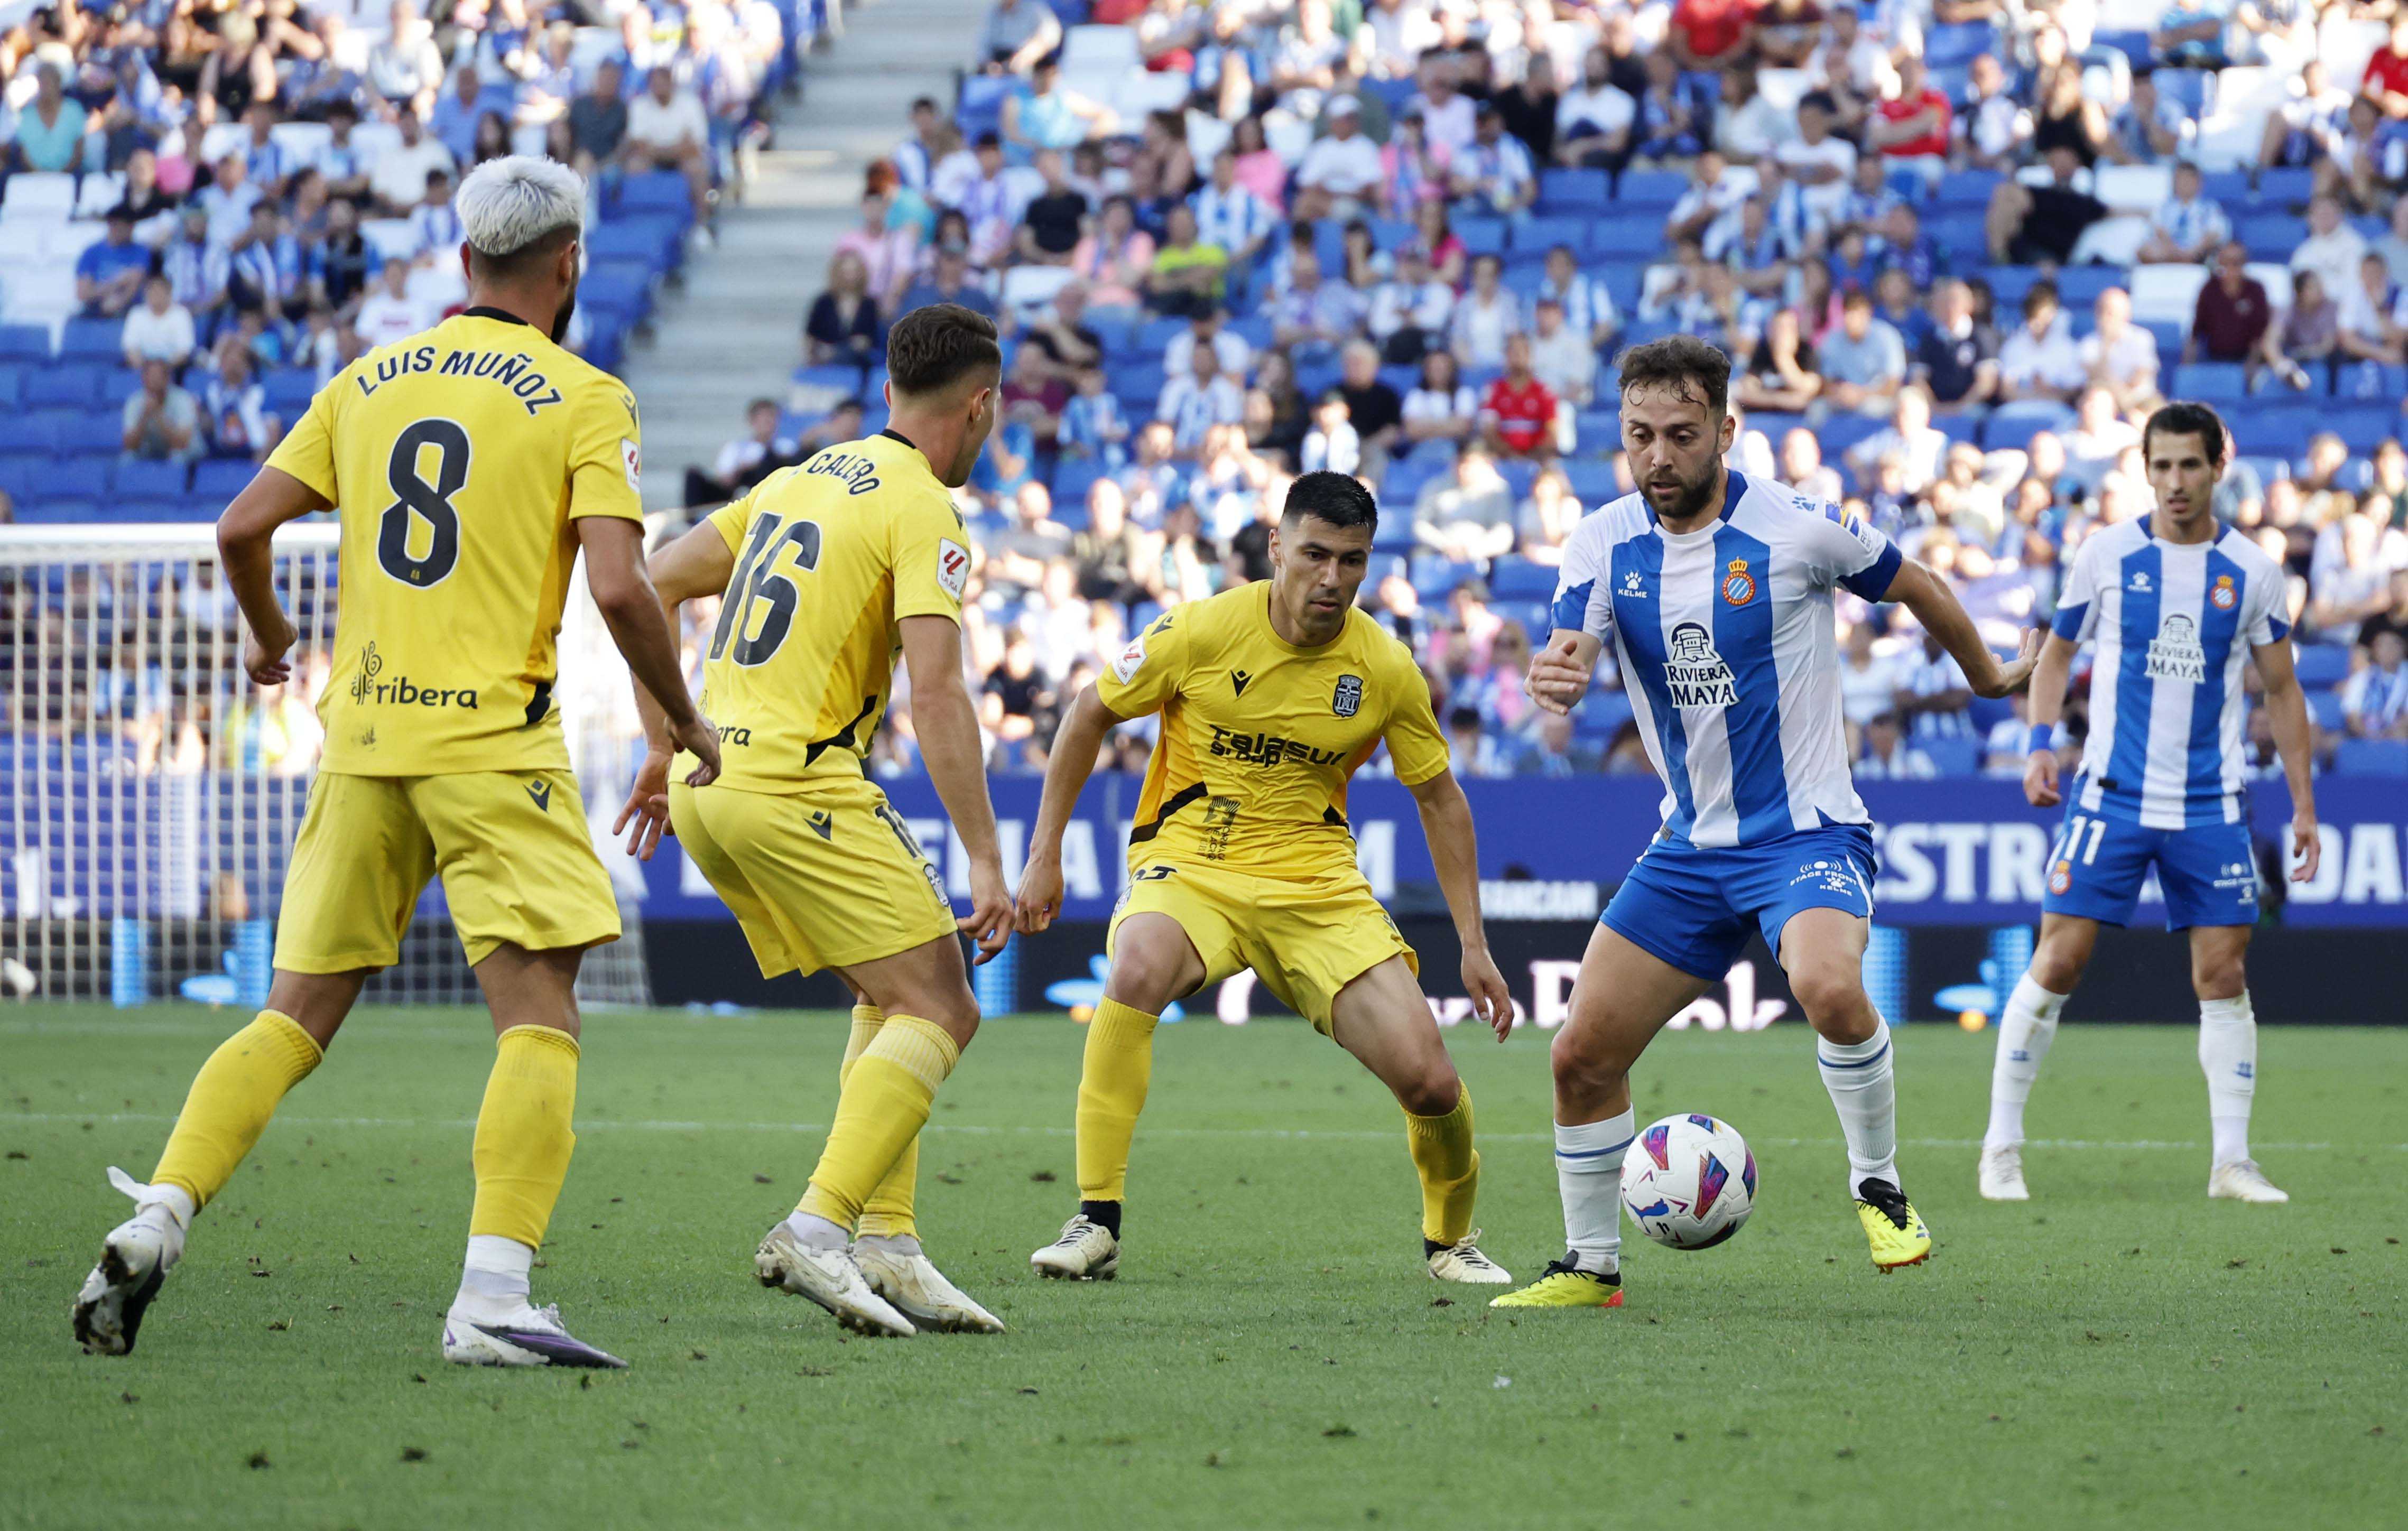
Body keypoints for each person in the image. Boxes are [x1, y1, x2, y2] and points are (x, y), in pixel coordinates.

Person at [72, 157, 718, 1368]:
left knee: (293, 1015)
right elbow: (624, 587)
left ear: (463, 259)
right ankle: (492, 1297)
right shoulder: (586, 395)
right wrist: (682, 719)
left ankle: (159, 1212)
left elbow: (240, 526)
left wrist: (270, 638)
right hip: (491, 749)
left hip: (363, 744)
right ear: (569, 263)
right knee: (540, 1014)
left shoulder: (365, 380)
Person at [1495, 337, 2041, 1310]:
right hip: (1687, 849)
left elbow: (1917, 583)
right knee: (1579, 1055)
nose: (1658, 455)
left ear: (1726, 431)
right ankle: (1591, 1265)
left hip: (1807, 835)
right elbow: (1571, 642)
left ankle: (1879, 1186)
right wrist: (1559, 673)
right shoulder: (1603, 541)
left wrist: (1990, 676)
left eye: (1681, 434)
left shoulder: (1797, 527)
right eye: (1639, 435)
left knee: (1829, 986)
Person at [1013, 472, 1517, 1288]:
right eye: (1315, 554)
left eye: (1352, 561)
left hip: (1316, 885)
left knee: (1430, 1080)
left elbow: (1439, 798)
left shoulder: (1384, 668)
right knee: (1136, 965)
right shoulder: (1201, 630)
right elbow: (1087, 712)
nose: (1332, 578)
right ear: (1277, 546)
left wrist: (1474, 944)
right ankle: (1096, 1220)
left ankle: (1450, 1241)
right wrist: (1045, 853)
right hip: (1194, 863)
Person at [617, 304, 1012, 1338]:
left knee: (892, 991)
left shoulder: (795, 481)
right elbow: (937, 695)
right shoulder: (924, 507)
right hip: (797, 784)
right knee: (945, 1006)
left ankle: (890, 1243)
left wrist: (662, 744)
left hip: (709, 780)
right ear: (980, 406)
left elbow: (652, 582)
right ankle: (818, 1225)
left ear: (887, 391)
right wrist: (985, 856)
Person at [1983, 402, 2320, 1209]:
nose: (2175, 481)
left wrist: (2304, 805)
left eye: (2189, 465)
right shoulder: (2107, 553)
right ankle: (2001, 1148)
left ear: (2218, 468)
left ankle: (2231, 1162)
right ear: (2145, 469)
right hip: (2112, 797)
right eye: (2161, 465)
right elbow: (2056, 655)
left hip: (2210, 804)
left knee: (2223, 972)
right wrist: (2039, 745)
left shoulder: (2251, 570)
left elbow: (2282, 689)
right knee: (2057, 962)